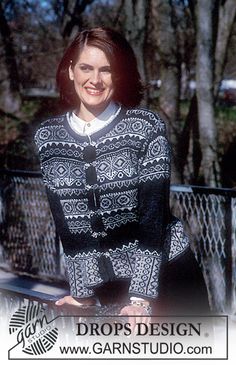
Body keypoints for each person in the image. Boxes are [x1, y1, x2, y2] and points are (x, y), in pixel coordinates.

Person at [34, 27, 209, 328]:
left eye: (107, 70)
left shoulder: (146, 127)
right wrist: (83, 293)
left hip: (169, 278)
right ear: (71, 71)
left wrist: (141, 300)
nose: (95, 80)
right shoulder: (47, 138)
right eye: (86, 68)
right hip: (109, 287)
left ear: (120, 75)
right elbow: (67, 227)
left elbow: (152, 219)